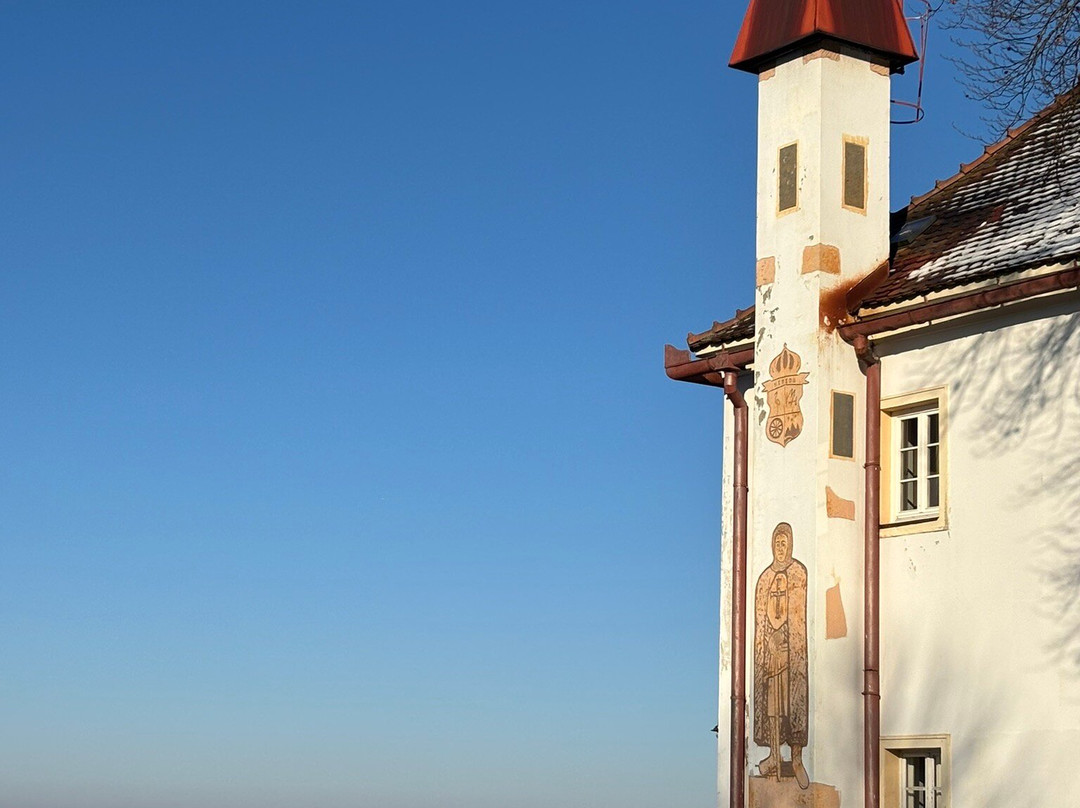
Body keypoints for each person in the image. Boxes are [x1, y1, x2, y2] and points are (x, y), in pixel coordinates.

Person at [753, 522, 809, 789]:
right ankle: (775, 755)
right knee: (773, 707)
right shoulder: (764, 578)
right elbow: (761, 618)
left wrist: (785, 636)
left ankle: (796, 758)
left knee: (793, 705)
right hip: (772, 656)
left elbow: (798, 614)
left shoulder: (798, 572)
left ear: (791, 544)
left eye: (784, 543)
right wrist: (767, 642)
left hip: (792, 655)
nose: (780, 547)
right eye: (777, 543)